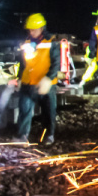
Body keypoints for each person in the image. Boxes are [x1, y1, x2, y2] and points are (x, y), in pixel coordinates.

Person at [15, 13, 60, 144]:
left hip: (46, 83)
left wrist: (48, 79)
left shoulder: (51, 41)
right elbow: (22, 62)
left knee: (48, 111)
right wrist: (19, 77)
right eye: (30, 29)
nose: (31, 32)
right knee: (24, 110)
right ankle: (22, 136)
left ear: (42, 28)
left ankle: (48, 135)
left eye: (34, 29)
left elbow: (56, 63)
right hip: (28, 82)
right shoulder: (27, 42)